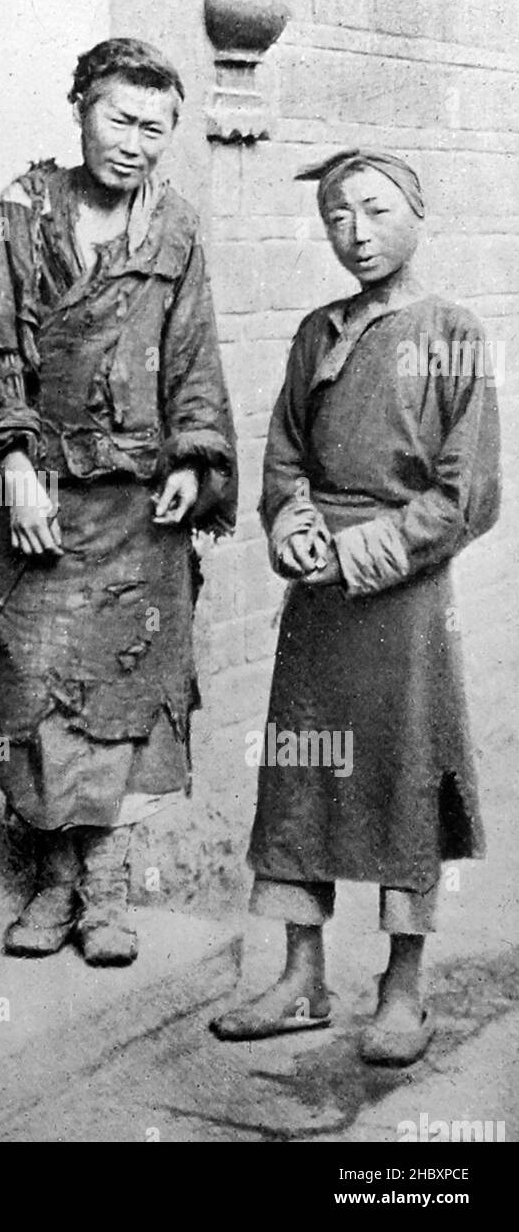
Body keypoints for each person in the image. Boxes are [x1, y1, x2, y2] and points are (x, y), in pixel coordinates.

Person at [0, 38, 237, 966]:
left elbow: (194, 358)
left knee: (123, 690)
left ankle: (103, 884)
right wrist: (16, 469)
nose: (137, 144)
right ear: (80, 108)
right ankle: (53, 879)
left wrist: (195, 460)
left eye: (157, 129)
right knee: (38, 689)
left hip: (141, 510)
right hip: (45, 497)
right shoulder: (24, 213)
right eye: (120, 118)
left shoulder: (178, 229)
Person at [211, 149, 501, 1065]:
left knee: (404, 776)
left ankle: (403, 988)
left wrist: (361, 550)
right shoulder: (316, 331)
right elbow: (286, 452)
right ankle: (300, 979)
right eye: (337, 217)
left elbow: (468, 495)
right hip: (317, 604)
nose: (356, 233)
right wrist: (291, 524)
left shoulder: (452, 330)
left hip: (404, 600)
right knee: (301, 773)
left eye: (374, 211)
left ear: (417, 212)